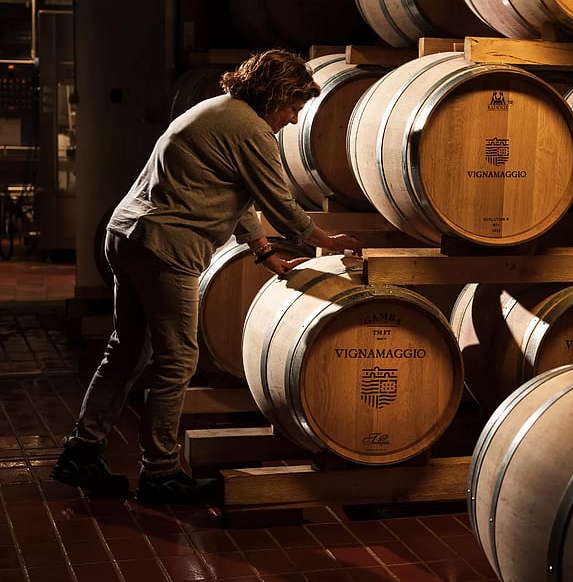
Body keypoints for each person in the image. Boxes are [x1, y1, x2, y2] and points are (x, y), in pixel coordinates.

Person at [51, 49, 362, 504]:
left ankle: (81, 450)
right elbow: (279, 201)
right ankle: (159, 474)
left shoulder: (218, 112)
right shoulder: (252, 129)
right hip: (166, 246)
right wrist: (323, 239)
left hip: (128, 234)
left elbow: (239, 196)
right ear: (275, 95)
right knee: (177, 359)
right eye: (293, 106)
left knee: (126, 350)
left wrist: (263, 252)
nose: (294, 119)